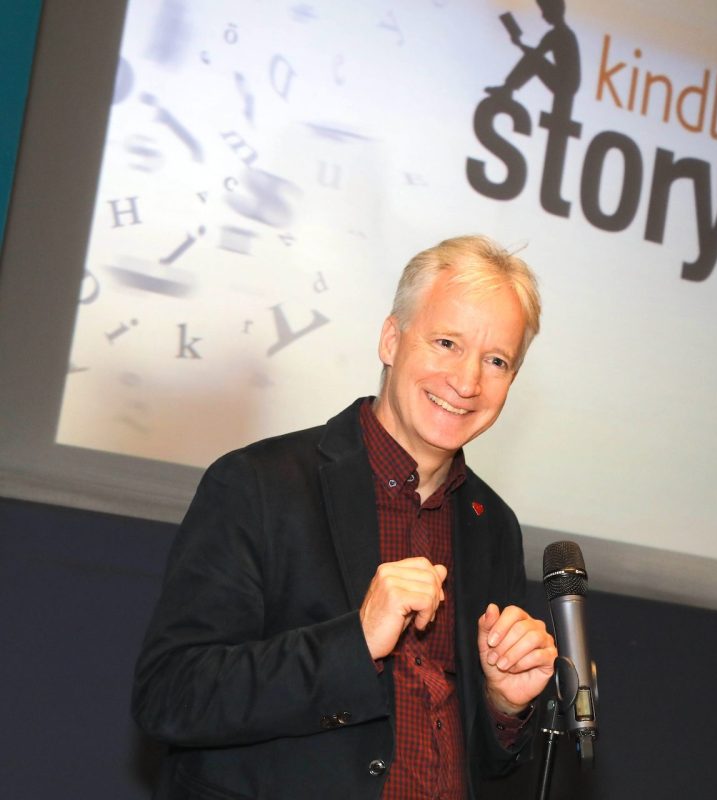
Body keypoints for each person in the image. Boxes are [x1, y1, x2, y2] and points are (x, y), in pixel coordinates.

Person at [132, 235, 557, 799]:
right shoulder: (259, 484)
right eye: (447, 342)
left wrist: (504, 706)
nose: (467, 381)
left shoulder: (491, 525)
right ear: (390, 339)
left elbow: (481, 766)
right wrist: (353, 642)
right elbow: (172, 695)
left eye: (496, 360)